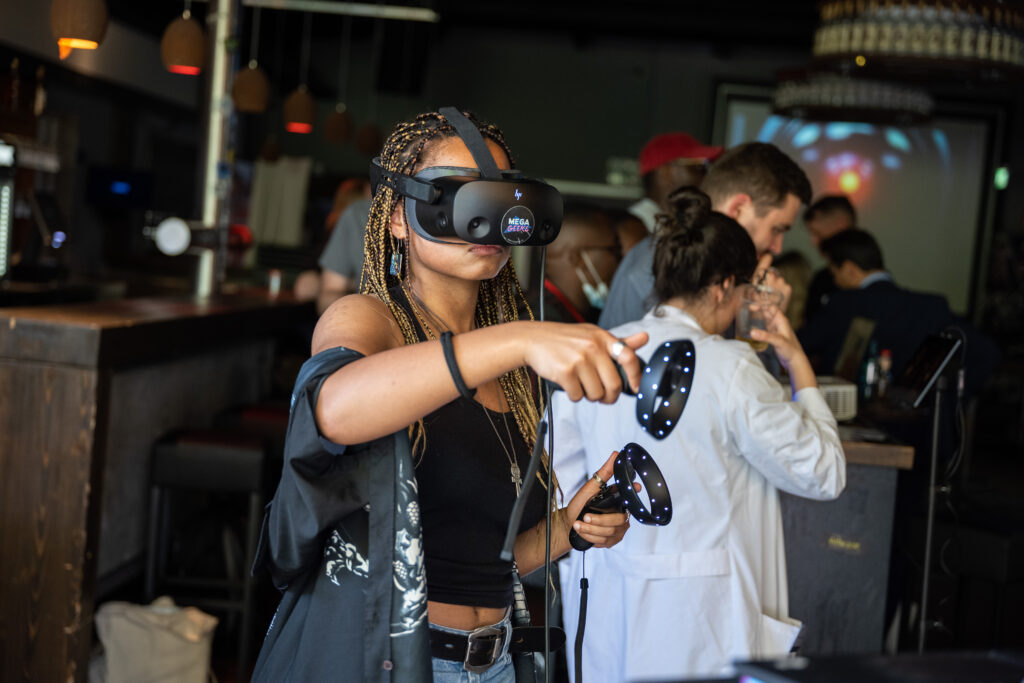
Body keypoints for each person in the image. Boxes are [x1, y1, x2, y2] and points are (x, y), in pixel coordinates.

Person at [250, 109, 645, 683]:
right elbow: (331, 409)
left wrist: (566, 527)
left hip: (493, 662)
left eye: (499, 198)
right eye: (457, 196)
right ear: (397, 218)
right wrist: (519, 339)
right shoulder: (369, 319)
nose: (485, 220)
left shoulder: (514, 368)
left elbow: (480, 556)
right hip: (388, 662)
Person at [552, 188, 846, 682]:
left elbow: (560, 485)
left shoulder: (594, 350)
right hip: (701, 618)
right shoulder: (732, 366)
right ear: (725, 286)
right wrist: (796, 360)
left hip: (607, 599)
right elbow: (824, 472)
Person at [599, 142, 812, 330]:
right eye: (777, 229)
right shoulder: (656, 270)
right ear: (738, 209)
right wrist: (759, 325)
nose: (777, 248)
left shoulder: (725, 273)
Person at [798, 228, 996, 398]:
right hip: (919, 425)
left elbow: (799, 346)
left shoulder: (844, 303)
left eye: (834, 273)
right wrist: (945, 404)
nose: (835, 281)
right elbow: (987, 354)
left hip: (854, 418)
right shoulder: (932, 307)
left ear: (849, 269)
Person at [539, 203, 622, 324]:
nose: (620, 260)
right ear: (579, 259)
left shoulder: (563, 312)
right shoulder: (542, 321)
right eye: (614, 250)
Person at [628, 132, 722, 232]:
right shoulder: (636, 228)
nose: (707, 174)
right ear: (665, 173)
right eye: (700, 166)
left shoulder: (681, 222)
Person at [802, 195, 857, 323]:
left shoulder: (868, 281)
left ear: (841, 226)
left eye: (817, 233)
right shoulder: (821, 280)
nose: (813, 242)